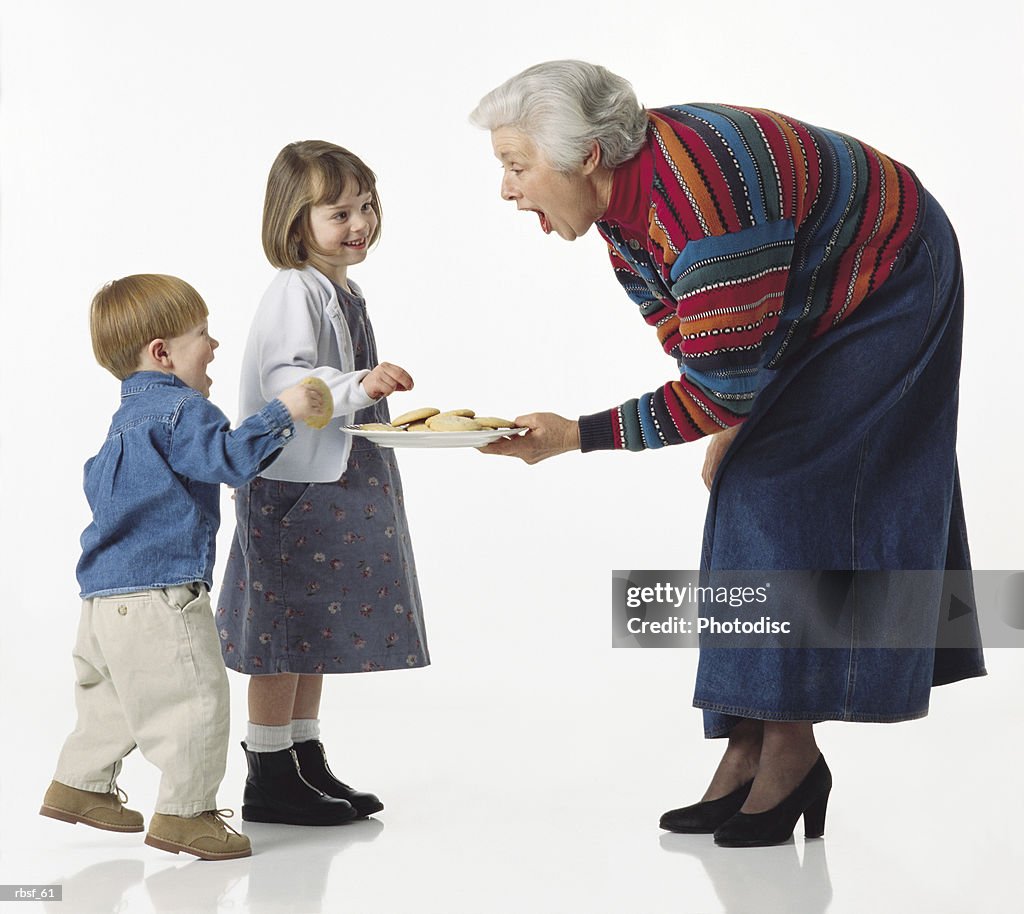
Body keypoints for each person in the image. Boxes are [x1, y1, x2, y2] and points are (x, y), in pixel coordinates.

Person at [470, 60, 986, 847]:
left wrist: (574, 435)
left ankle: (789, 749)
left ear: (587, 158)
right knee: (747, 480)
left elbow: (716, 387)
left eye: (515, 165)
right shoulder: (622, 214)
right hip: (807, 281)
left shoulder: (706, 219)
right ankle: (750, 744)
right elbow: (690, 339)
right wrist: (728, 412)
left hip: (890, 275)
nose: (507, 189)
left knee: (778, 491)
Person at [40, 274, 325, 860]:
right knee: (193, 702)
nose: (214, 345)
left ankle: (80, 783)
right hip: (163, 595)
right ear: (162, 353)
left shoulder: (124, 422)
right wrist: (285, 411)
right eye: (202, 334)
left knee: (111, 697)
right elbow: (228, 459)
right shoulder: (181, 409)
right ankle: (186, 813)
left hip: (101, 599)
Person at [217, 140, 428, 826]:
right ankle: (269, 772)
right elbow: (286, 381)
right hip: (290, 486)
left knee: (313, 624)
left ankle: (304, 758)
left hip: (332, 476)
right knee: (280, 631)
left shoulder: (341, 288)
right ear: (294, 219)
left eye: (366, 207)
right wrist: (356, 386)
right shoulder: (294, 290)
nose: (359, 222)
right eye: (339, 212)